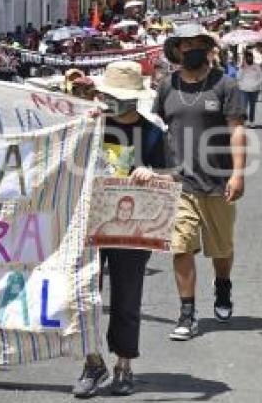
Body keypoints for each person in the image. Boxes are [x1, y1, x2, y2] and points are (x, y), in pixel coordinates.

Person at [75, 60, 174, 398]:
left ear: (134, 99)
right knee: (84, 293)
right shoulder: (93, 126)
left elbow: (173, 176)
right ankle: (92, 361)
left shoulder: (153, 132)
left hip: (133, 229)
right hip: (90, 222)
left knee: (127, 295)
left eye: (118, 96)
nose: (111, 101)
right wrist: (81, 128)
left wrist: (153, 174)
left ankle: (123, 365)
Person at [155, 23, 246, 341]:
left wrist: (238, 173)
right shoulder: (167, 86)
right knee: (180, 247)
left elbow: (236, 130)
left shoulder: (225, 85)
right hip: (180, 183)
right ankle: (187, 313)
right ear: (177, 50)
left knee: (221, 250)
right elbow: (159, 129)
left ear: (207, 48)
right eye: (185, 44)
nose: (190, 49)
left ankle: (223, 286)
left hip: (219, 182)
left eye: (197, 43)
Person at [236, 50, 262, 125]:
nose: (250, 59)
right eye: (248, 58)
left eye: (251, 58)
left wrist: (256, 85)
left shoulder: (257, 66)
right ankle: (243, 121)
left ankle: (252, 121)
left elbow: (261, 77)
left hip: (254, 90)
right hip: (244, 89)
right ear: (245, 58)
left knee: (252, 106)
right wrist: (242, 68)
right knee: (243, 106)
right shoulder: (242, 67)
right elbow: (238, 77)